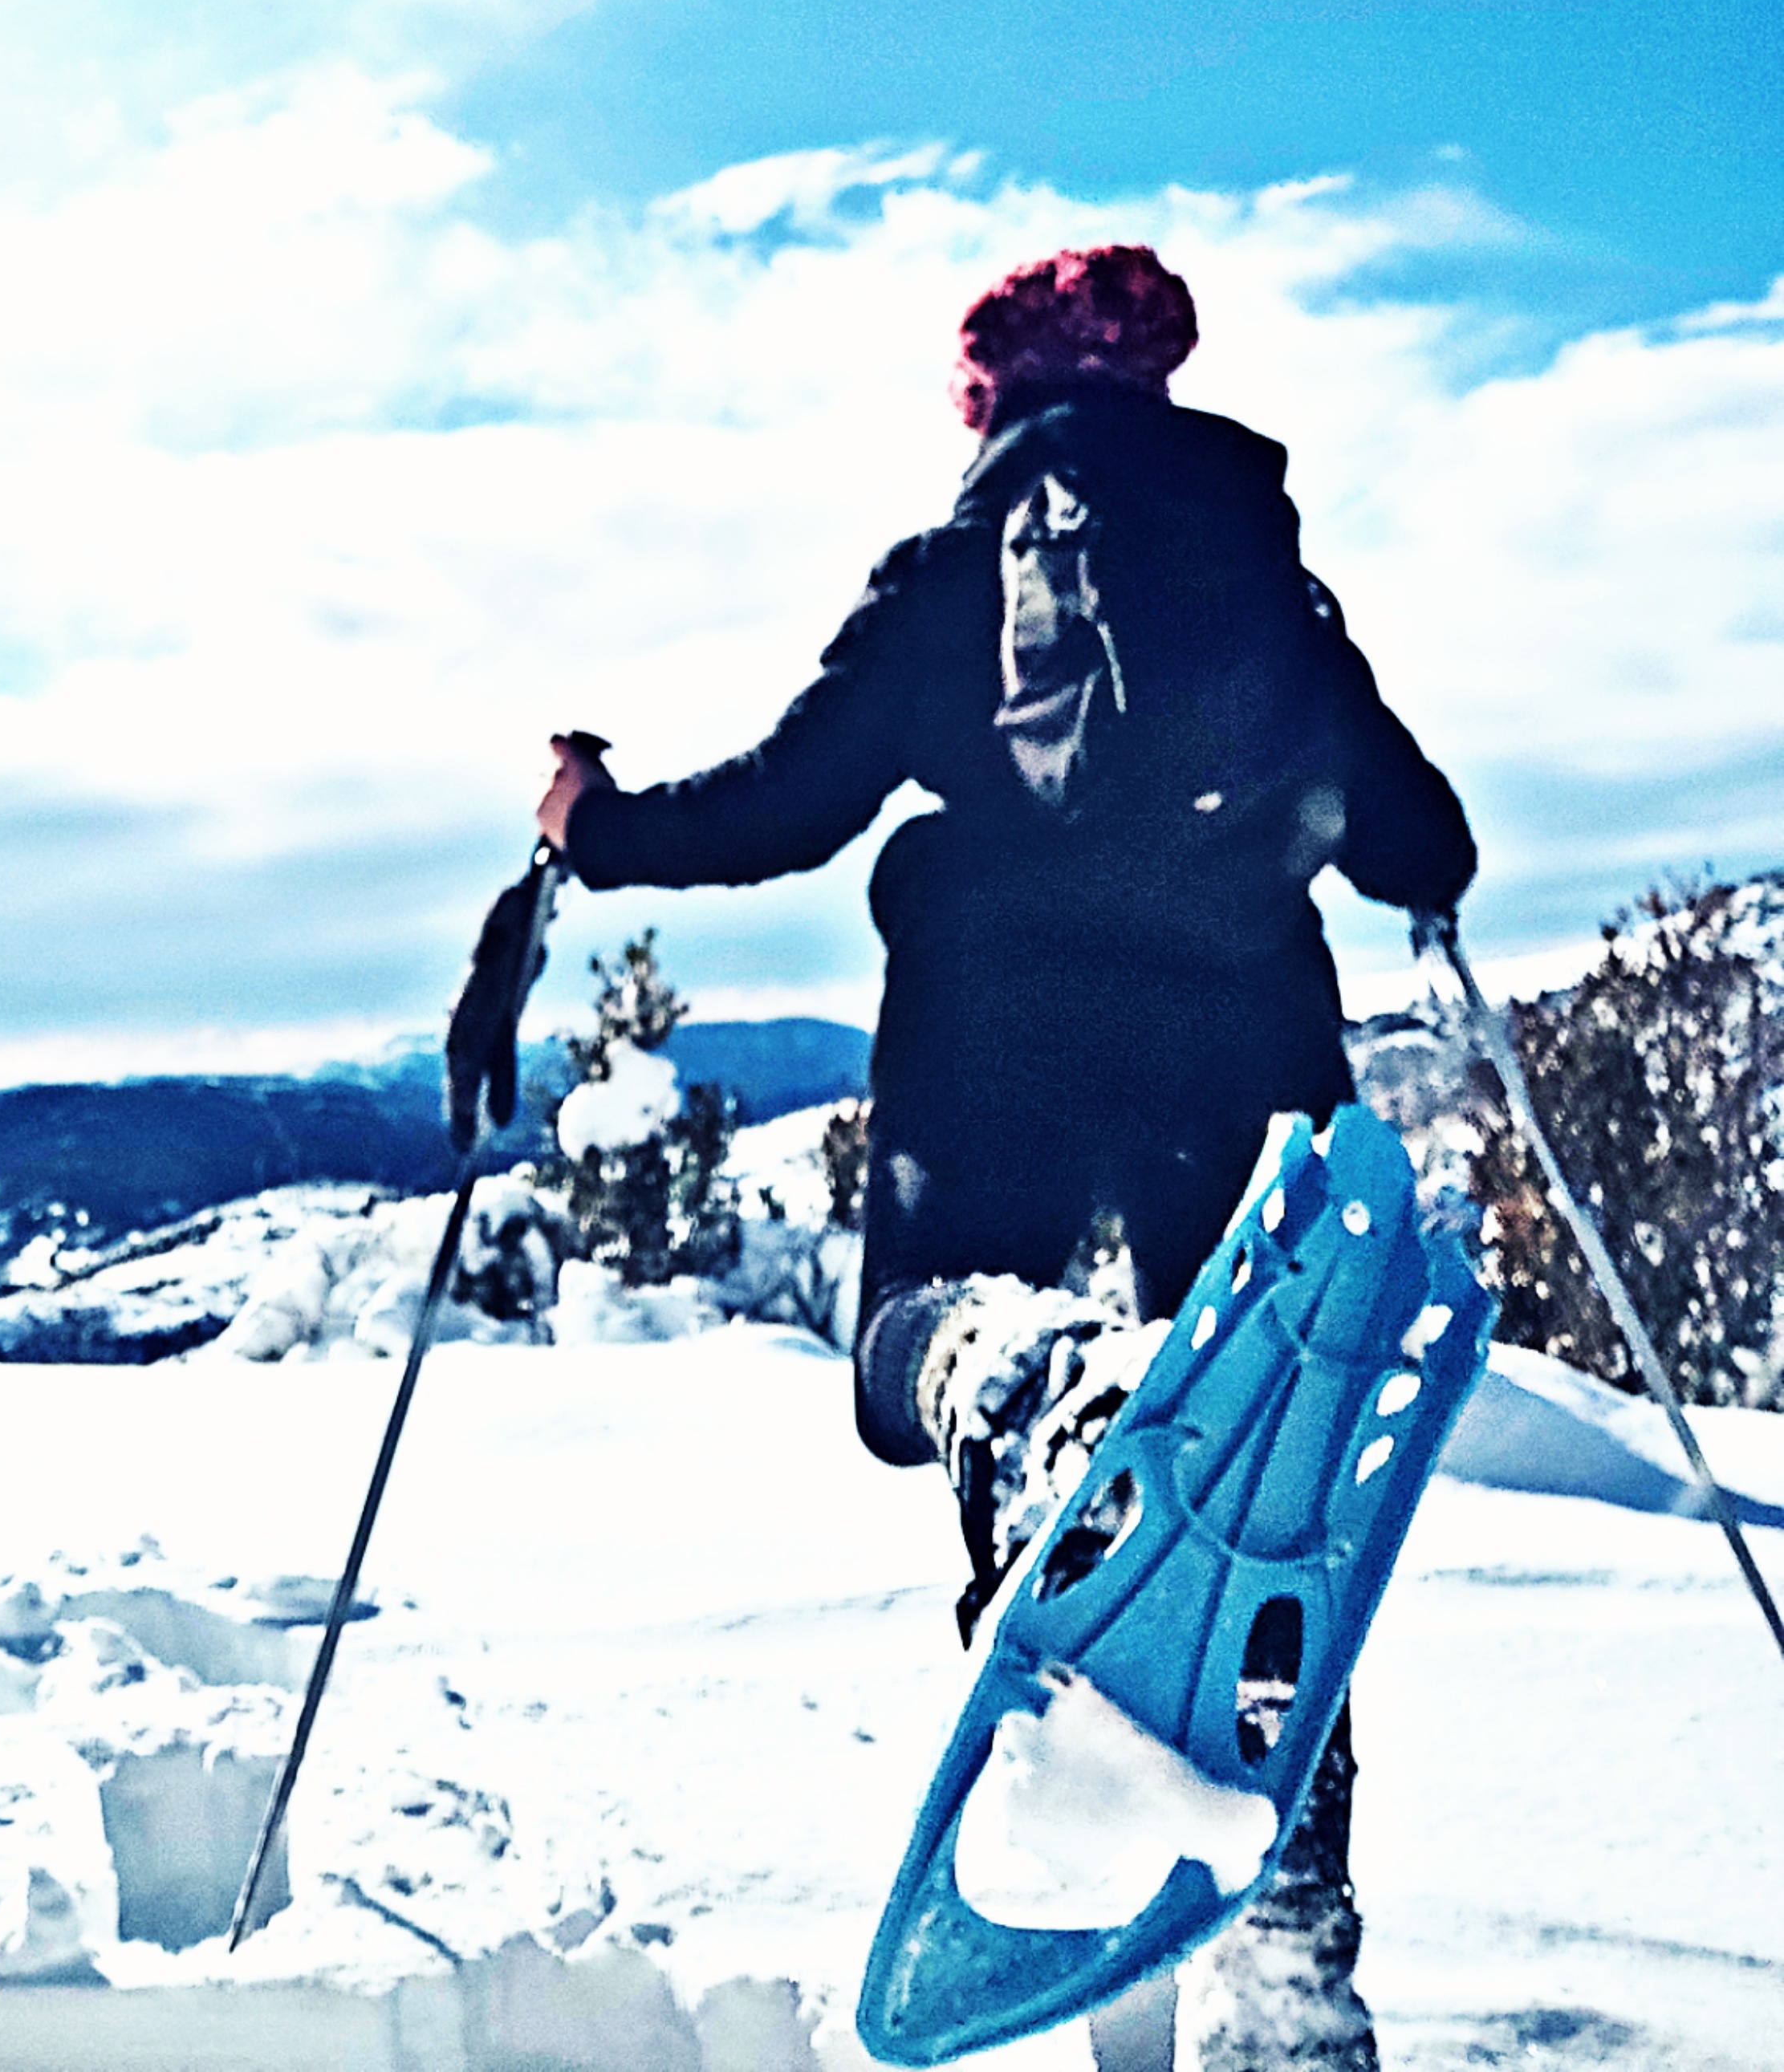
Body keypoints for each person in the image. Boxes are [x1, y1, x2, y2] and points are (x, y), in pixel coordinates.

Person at [534, 242, 1475, 2072]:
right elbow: (1418, 839)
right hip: (1246, 1031)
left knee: (916, 1352)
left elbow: (785, 799)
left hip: (998, 1022)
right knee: (1266, 1487)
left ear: (990, 396)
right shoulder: (1267, 579)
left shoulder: (957, 570)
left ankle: (1012, 1376)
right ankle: (1290, 1952)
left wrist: (596, 825)